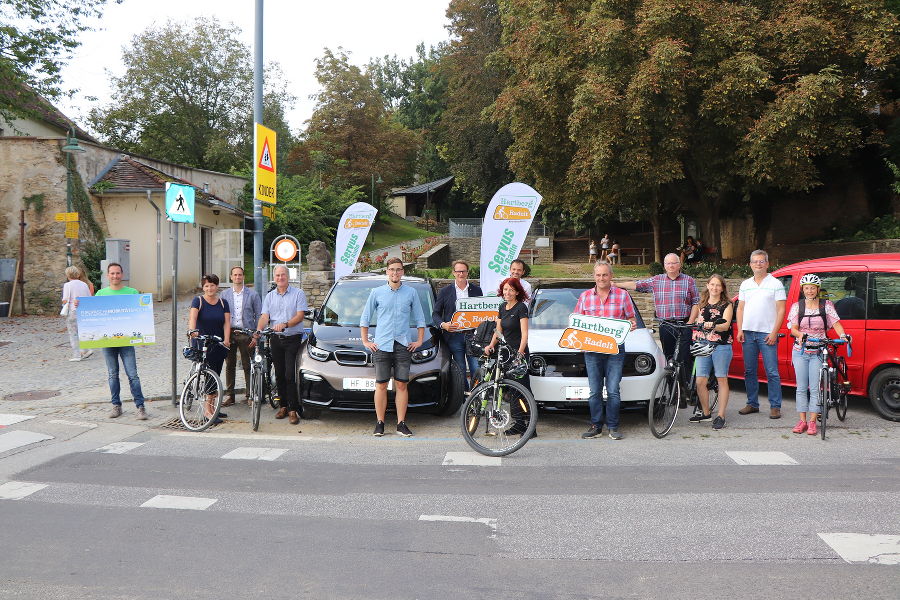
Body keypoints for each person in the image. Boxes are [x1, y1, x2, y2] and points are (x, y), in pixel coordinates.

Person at [361, 257, 425, 437]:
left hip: (403, 345)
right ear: (387, 272)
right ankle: (380, 423)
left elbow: (420, 319)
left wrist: (419, 341)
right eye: (392, 269)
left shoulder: (411, 293)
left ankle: (401, 424)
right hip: (382, 344)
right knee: (381, 385)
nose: (395, 273)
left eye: (398, 269)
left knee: (402, 385)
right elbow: (365, 318)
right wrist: (366, 341)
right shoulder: (377, 292)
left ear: (402, 272)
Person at [575, 261, 637, 440]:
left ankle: (613, 427)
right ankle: (596, 426)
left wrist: (631, 325)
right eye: (598, 275)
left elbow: (631, 319)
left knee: (613, 390)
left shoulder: (623, 295)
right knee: (594, 391)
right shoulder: (585, 297)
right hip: (592, 350)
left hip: (615, 350)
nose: (601, 278)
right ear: (594, 276)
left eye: (604, 275)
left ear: (611, 276)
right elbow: (577, 323)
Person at [619, 253, 699, 378]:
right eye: (668, 263)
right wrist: (616, 285)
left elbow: (696, 302)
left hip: (684, 324)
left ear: (679, 265)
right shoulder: (657, 280)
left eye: (674, 263)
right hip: (666, 325)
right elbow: (637, 285)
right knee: (669, 359)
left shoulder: (689, 281)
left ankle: (687, 389)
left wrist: (690, 322)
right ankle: (672, 390)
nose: (671, 266)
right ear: (664, 265)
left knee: (685, 358)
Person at [787, 273, 848, 436]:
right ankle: (802, 421)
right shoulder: (797, 307)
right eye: (806, 288)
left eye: (812, 288)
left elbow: (836, 324)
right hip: (800, 350)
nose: (809, 291)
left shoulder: (826, 305)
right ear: (802, 289)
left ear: (817, 289)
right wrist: (800, 335)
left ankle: (813, 422)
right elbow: (793, 329)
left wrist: (843, 336)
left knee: (815, 388)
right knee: (801, 387)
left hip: (819, 351)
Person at [93, 263, 148, 420]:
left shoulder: (131, 292)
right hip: (108, 341)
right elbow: (93, 313)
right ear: (107, 276)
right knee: (112, 374)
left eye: (117, 273)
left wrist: (143, 335)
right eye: (112, 273)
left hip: (126, 341)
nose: (115, 276)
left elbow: (140, 314)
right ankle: (116, 405)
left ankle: (140, 407)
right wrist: (79, 305)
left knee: (133, 375)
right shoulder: (101, 293)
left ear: (122, 275)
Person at [736, 249, 786, 419]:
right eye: (755, 261)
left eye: (761, 261)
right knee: (749, 371)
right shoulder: (745, 284)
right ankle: (752, 404)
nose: (758, 264)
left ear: (767, 264)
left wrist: (774, 332)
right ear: (750, 265)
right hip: (748, 334)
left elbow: (781, 310)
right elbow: (740, 308)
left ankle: (775, 406)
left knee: (772, 372)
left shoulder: (776, 284)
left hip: (767, 334)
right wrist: (740, 329)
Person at [256, 265, 308, 426]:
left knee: (289, 374)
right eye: (277, 275)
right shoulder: (270, 296)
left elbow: (300, 316)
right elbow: (265, 316)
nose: (280, 278)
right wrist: (258, 329)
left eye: (283, 275)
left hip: (292, 338)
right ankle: (283, 406)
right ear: (274, 277)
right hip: (276, 339)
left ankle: (293, 409)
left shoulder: (298, 293)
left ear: (288, 276)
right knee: (278, 374)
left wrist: (285, 324)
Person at [483, 277, 533, 436]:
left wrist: (520, 353)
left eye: (511, 290)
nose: (507, 292)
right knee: (511, 390)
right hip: (505, 354)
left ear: (517, 292)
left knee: (523, 390)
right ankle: (518, 424)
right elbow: (498, 332)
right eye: (505, 289)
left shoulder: (521, 308)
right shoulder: (502, 307)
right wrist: (491, 345)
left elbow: (525, 334)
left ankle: (531, 426)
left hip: (519, 353)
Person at [688, 274, 734, 430]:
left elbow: (725, 325)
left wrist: (712, 325)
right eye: (712, 284)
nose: (715, 288)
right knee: (700, 381)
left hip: (720, 345)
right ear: (707, 285)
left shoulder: (726, 304)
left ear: (722, 288)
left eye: (718, 285)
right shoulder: (701, 304)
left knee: (722, 379)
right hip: (702, 344)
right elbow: (692, 320)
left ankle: (721, 415)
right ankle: (706, 413)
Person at [188, 273, 231, 422]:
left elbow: (226, 323)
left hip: (218, 343)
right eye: (206, 285)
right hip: (203, 344)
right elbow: (193, 318)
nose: (210, 288)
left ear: (217, 286)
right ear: (203, 287)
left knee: (216, 375)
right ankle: (207, 411)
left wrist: (226, 339)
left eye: (212, 285)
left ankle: (213, 408)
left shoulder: (223, 303)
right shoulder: (198, 301)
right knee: (208, 376)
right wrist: (193, 332)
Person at [433, 260, 483, 386]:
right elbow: (435, 314)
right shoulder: (445, 291)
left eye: (463, 271)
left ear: (467, 272)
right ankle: (464, 395)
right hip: (454, 336)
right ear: (453, 273)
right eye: (458, 271)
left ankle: (475, 395)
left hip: (473, 336)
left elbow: (482, 312)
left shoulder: (477, 290)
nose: (461, 274)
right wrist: (443, 325)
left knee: (476, 367)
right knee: (459, 368)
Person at [221, 266, 262, 407]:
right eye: (235, 275)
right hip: (230, 333)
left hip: (246, 334)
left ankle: (250, 395)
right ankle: (230, 395)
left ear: (243, 277)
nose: (238, 277)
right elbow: (221, 316)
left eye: (240, 275)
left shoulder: (253, 295)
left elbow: (259, 315)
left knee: (247, 365)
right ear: (231, 277)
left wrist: (256, 334)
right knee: (229, 365)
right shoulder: (224, 295)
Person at [62, 265, 94, 362]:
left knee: (73, 334)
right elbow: (89, 298)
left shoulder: (67, 285)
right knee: (83, 332)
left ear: (68, 275)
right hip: (83, 312)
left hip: (72, 311)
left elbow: (65, 300)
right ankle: (87, 349)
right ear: (78, 274)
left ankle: (77, 354)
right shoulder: (84, 284)